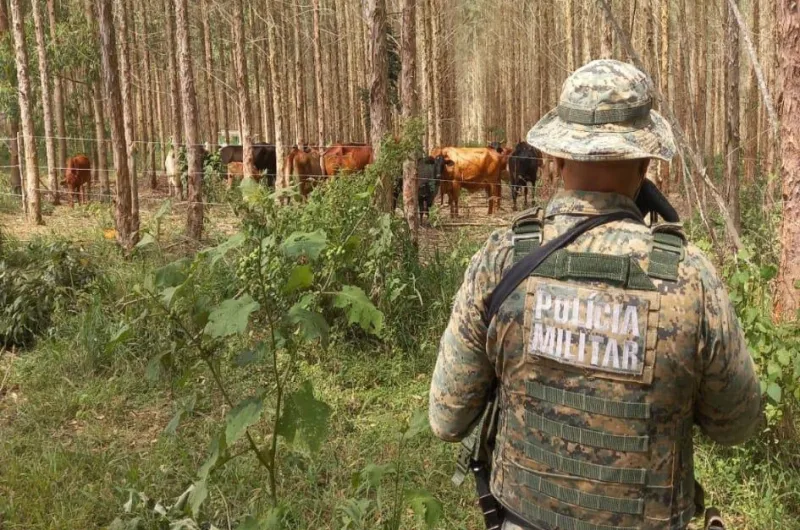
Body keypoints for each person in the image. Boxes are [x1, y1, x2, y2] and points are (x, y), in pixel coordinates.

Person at [428, 59, 761, 530]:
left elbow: (447, 417)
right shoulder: (689, 277)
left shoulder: (502, 260)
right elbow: (737, 423)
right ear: (646, 163)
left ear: (558, 157)